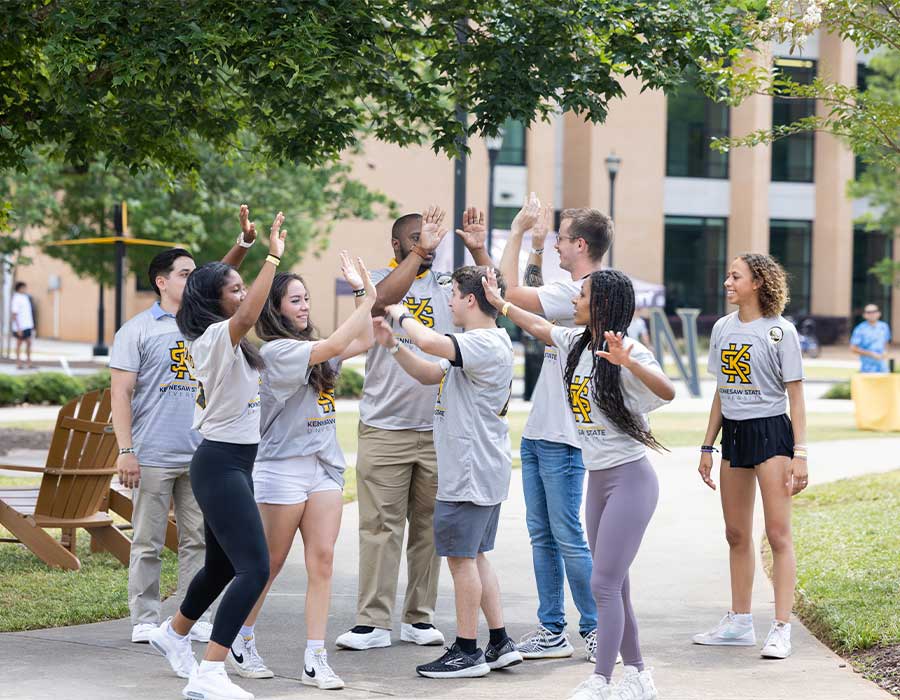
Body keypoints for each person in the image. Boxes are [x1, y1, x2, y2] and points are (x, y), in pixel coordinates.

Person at [482, 267, 674, 700]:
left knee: (602, 585)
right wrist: (502, 305)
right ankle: (640, 677)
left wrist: (629, 364)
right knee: (616, 586)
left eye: (582, 294)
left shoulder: (627, 349)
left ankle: (602, 680)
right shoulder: (576, 342)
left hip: (631, 481)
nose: (575, 300)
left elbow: (667, 392)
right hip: (600, 481)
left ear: (601, 303)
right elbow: (540, 326)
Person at [335, 206, 492, 651]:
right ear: (398, 244)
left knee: (429, 527)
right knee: (380, 526)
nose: (429, 245)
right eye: (418, 239)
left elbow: (491, 293)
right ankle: (372, 621)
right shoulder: (376, 282)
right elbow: (381, 301)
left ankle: (419, 617)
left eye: (434, 240)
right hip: (385, 426)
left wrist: (478, 248)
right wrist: (420, 251)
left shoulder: (448, 287)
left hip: (440, 427)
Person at [147, 208, 286, 700]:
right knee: (255, 568)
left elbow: (212, 286)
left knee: (226, 566)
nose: (244, 292)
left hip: (232, 463)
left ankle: (174, 633)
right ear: (217, 302)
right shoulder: (212, 337)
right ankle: (209, 674)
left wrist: (243, 249)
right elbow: (239, 307)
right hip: (221, 462)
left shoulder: (217, 334)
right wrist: (272, 255)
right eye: (236, 288)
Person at [227, 253, 376, 690]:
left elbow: (363, 339)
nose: (305, 305)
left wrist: (362, 293)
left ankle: (315, 657)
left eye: (307, 298)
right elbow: (333, 346)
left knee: (323, 562)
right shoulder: (278, 352)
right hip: (280, 468)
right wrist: (365, 295)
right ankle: (241, 638)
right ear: (275, 309)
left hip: (324, 466)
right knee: (269, 564)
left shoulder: (312, 348)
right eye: (295, 300)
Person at [111, 209, 259, 646]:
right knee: (148, 540)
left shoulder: (206, 325)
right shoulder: (137, 330)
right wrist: (126, 450)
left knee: (199, 542)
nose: (192, 278)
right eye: (184, 273)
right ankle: (145, 616)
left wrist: (246, 246)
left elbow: (220, 281)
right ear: (162, 280)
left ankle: (188, 619)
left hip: (203, 452)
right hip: (153, 451)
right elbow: (119, 394)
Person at [373, 265, 521, 678]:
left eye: (454, 294)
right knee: (475, 556)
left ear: (471, 300)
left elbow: (428, 340)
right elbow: (426, 371)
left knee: (460, 560)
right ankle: (499, 641)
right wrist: (392, 346)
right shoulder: (479, 344)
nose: (450, 301)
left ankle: (467, 650)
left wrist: (397, 310)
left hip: (469, 471)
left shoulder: (484, 342)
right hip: (478, 468)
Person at [499, 197, 614, 662]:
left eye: (562, 240)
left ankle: (595, 629)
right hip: (540, 431)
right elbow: (534, 314)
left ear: (580, 244)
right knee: (543, 535)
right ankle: (552, 630)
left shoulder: (585, 292)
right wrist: (536, 250)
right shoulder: (574, 294)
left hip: (564, 439)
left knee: (566, 536)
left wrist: (517, 232)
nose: (558, 247)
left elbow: (507, 292)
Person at [693, 253, 808, 661]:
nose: (727, 282)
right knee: (736, 534)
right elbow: (722, 392)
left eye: (735, 276)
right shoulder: (723, 328)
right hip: (735, 435)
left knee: (777, 534)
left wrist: (801, 454)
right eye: (727, 275)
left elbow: (795, 396)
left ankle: (780, 629)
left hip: (771, 432)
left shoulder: (780, 332)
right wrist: (708, 446)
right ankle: (739, 622)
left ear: (757, 282)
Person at [850, 304, 891, 373]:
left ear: (879, 313)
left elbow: (886, 343)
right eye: (869, 312)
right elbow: (853, 348)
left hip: (883, 368)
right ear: (864, 315)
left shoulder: (884, 327)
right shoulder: (860, 329)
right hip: (867, 368)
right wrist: (871, 354)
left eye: (874, 311)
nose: (872, 314)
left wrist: (885, 352)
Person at [10, 281, 35, 369]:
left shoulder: (25, 297)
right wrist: (18, 328)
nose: (25, 289)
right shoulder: (16, 298)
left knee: (29, 343)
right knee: (19, 344)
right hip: (20, 326)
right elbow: (14, 314)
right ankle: (18, 363)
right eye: (23, 288)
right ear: (19, 288)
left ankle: (29, 362)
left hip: (27, 325)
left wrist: (31, 326)